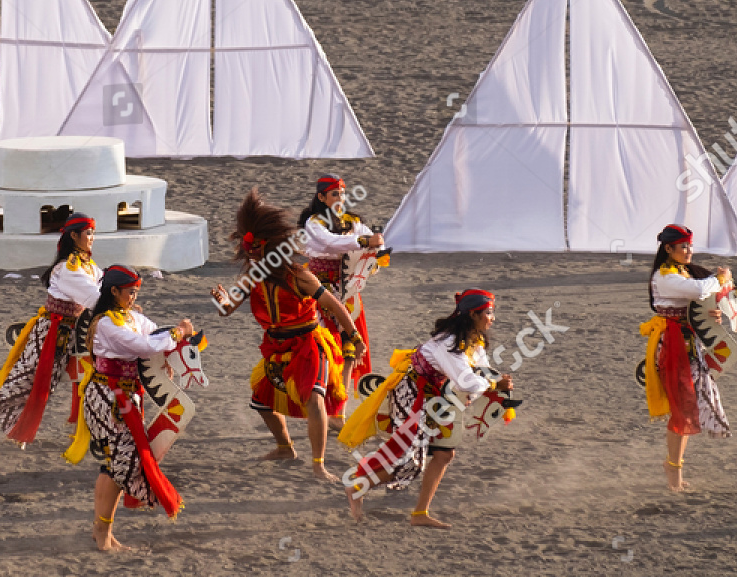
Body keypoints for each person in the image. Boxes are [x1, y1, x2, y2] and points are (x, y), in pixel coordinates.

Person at [210, 188, 355, 483]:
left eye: (257, 250)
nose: (252, 256)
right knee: (262, 401)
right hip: (275, 347)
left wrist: (353, 336)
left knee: (314, 400)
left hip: (308, 344)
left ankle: (319, 465)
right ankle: (285, 447)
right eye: (249, 252)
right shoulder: (251, 277)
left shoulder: (299, 275)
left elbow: (333, 305)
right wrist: (222, 300)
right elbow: (227, 310)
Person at [340, 289, 512, 527]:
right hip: (412, 395)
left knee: (444, 453)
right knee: (411, 464)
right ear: (473, 314)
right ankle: (357, 487)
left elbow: (480, 370)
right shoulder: (450, 343)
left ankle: (420, 513)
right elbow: (467, 381)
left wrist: (495, 380)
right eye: (489, 313)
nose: (492, 318)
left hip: (436, 397)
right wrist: (494, 383)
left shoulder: (472, 340)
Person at [0, 215, 100, 451]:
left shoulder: (87, 266)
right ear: (74, 236)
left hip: (68, 336)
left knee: (44, 388)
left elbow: (103, 288)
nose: (92, 239)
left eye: (93, 233)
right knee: (18, 385)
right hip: (50, 336)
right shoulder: (68, 269)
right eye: (87, 233)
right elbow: (96, 298)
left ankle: (22, 432)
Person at [78, 265, 192, 551]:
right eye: (130, 292)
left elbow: (154, 333)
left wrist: (170, 335)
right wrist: (178, 333)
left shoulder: (128, 317)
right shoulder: (105, 322)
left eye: (135, 292)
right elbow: (144, 346)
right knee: (117, 464)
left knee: (114, 464)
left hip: (126, 397)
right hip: (108, 397)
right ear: (114, 291)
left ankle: (102, 531)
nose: (133, 297)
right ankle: (102, 533)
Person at [642, 224, 730, 491]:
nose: (689, 251)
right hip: (673, 348)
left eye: (690, 246)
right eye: (684, 246)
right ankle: (673, 470)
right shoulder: (665, 277)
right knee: (683, 408)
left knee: (687, 408)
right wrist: (721, 279)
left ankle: (674, 467)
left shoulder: (682, 273)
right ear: (668, 249)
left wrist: (713, 313)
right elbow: (698, 292)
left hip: (688, 346)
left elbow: (700, 301)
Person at [299, 175, 384, 394]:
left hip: (347, 289)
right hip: (319, 289)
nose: (340, 197)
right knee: (325, 345)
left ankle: (339, 404)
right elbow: (331, 242)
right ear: (321, 197)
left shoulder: (352, 221)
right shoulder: (314, 223)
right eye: (335, 193)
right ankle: (321, 396)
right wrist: (364, 242)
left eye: (343, 193)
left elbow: (369, 237)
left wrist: (376, 247)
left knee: (350, 346)